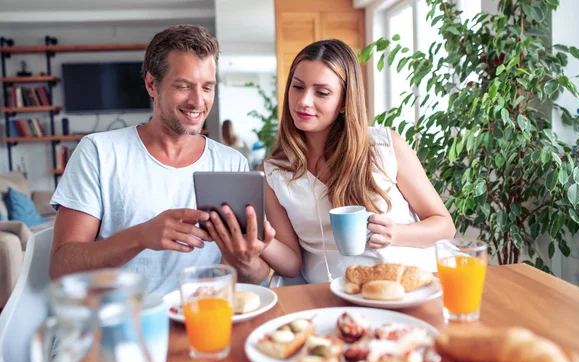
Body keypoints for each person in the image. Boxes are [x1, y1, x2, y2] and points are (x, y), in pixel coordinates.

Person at [49, 24, 274, 295]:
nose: (198, 101)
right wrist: (141, 236)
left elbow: (256, 277)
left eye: (207, 87)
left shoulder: (231, 163)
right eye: (183, 86)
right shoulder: (99, 152)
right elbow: (60, 268)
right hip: (122, 322)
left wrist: (246, 261)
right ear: (151, 84)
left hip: (199, 321)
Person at [209, 39, 455, 284]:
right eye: (297, 87)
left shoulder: (384, 146)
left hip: (406, 285)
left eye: (322, 92)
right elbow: (292, 263)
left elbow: (444, 226)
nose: (304, 101)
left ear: (344, 102)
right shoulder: (274, 173)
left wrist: (396, 233)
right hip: (331, 293)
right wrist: (261, 241)